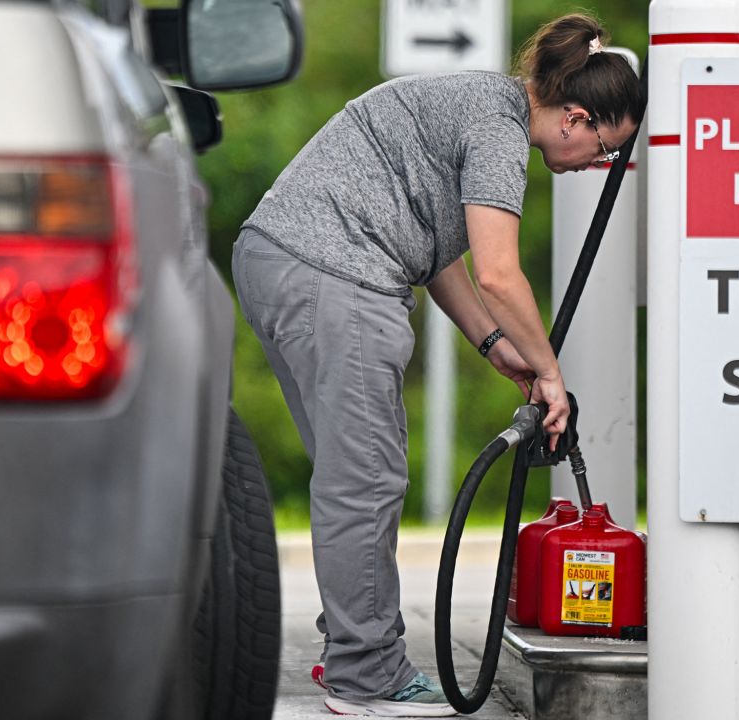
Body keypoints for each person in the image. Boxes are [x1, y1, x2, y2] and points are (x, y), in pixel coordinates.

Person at [231, 12, 645, 717]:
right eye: (607, 149)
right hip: (334, 272)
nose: (598, 166)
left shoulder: (484, 102)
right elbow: (500, 275)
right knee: (366, 478)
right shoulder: (498, 131)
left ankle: (358, 654)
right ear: (576, 117)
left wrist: (495, 347)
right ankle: (368, 678)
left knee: (352, 473)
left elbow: (436, 252)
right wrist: (550, 372)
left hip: (283, 258)